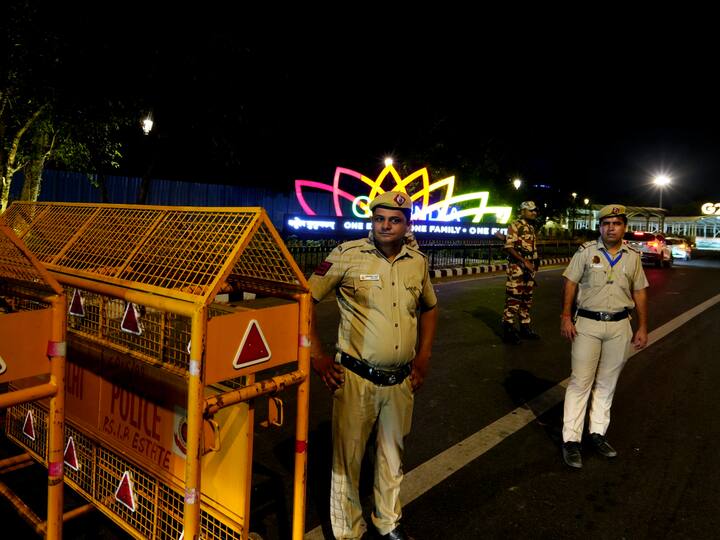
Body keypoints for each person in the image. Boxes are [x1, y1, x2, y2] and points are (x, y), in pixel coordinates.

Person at [308, 190, 438, 540]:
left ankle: (388, 523)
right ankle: (349, 532)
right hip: (355, 379)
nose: (385, 226)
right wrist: (317, 357)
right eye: (379, 219)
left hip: (400, 380)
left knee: (391, 457)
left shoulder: (417, 262)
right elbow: (304, 301)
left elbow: (429, 307)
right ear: (372, 221)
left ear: (406, 224)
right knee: (346, 462)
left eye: (394, 220)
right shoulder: (347, 256)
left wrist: (423, 356)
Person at [559, 204, 649, 469]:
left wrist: (643, 326)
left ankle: (597, 433)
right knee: (580, 383)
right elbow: (570, 283)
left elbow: (640, 291)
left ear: (624, 227)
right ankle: (571, 441)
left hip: (620, 326)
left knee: (607, 383)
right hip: (587, 323)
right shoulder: (586, 252)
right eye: (606, 223)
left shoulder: (633, 255)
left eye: (616, 223)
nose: (611, 227)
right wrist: (565, 316)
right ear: (600, 227)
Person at [502, 200, 540, 344]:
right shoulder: (515, 225)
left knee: (526, 300)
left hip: (529, 270)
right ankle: (508, 329)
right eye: (531, 210)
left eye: (535, 210)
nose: (534, 213)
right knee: (513, 299)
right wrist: (524, 261)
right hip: (517, 269)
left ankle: (525, 327)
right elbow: (509, 247)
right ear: (523, 211)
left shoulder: (530, 227)